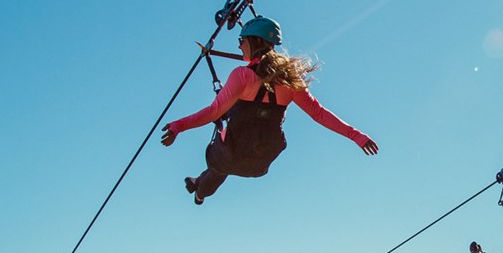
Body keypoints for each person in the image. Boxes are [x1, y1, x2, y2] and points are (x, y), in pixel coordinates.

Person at [161, 15, 378, 205]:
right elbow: (319, 114)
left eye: (241, 40)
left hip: (229, 155)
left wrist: (178, 126)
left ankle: (200, 190)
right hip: (260, 162)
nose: (239, 46)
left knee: (220, 160)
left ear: (254, 41)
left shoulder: (242, 76)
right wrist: (357, 136)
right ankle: (198, 185)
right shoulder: (291, 82)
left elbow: (213, 112)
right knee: (225, 155)